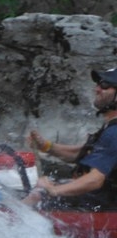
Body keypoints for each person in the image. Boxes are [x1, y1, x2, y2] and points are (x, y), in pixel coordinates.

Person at [24, 67, 117, 209]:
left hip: (104, 207)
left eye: (104, 85)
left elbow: (95, 180)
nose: (97, 89)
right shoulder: (110, 127)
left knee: (38, 195)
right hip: (99, 200)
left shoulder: (114, 132)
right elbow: (82, 153)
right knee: (33, 188)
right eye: (98, 84)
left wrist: (54, 191)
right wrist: (46, 146)